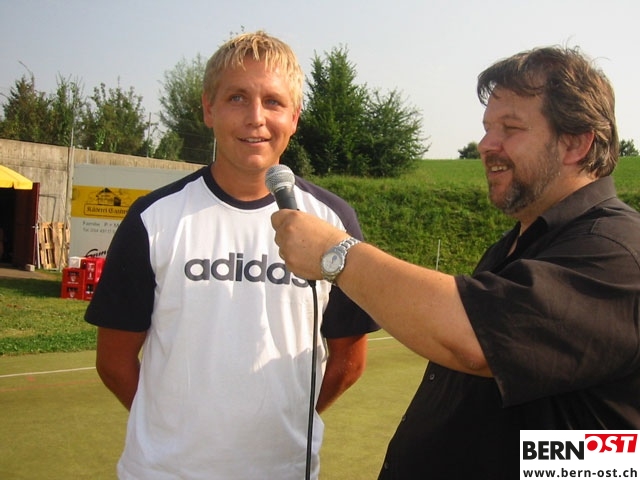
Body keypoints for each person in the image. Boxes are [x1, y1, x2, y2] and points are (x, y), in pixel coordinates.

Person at [271, 45, 640, 478]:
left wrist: (337, 253)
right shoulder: (520, 244)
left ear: (575, 142)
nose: (485, 145)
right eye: (487, 128)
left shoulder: (616, 252)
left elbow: (472, 339)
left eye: (510, 128)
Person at [85, 31, 378, 480]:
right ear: (209, 109)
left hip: (284, 471)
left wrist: (283, 425)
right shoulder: (154, 217)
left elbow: (349, 362)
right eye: (237, 98)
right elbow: (114, 361)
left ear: (295, 116)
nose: (255, 118)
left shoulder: (332, 221)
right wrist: (172, 430)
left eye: (273, 102)